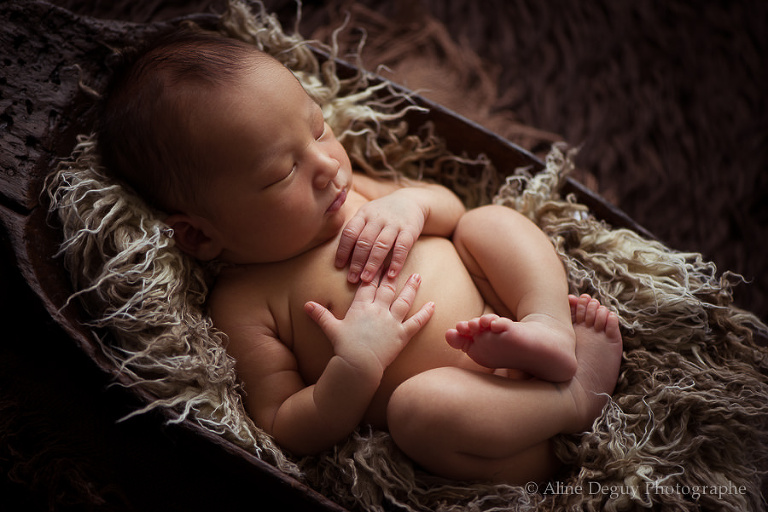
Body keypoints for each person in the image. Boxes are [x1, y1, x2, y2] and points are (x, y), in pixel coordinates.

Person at [99, 28, 623, 484]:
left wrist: (410, 204)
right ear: (198, 237)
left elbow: (450, 208)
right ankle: (572, 401)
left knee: (486, 223)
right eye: (283, 173)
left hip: (502, 313)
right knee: (418, 411)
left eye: (318, 127)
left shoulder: (352, 194)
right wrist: (355, 365)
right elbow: (282, 423)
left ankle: (547, 323)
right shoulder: (243, 303)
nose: (327, 164)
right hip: (490, 430)